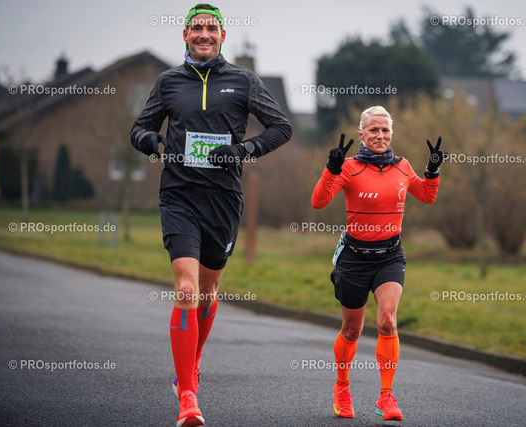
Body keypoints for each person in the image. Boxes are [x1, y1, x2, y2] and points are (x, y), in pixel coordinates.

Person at [130, 4, 292, 426]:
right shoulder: (168, 82)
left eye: (211, 27)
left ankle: (193, 361)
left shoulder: (243, 81)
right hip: (179, 195)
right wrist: (151, 141)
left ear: (222, 35)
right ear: (185, 35)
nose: (204, 33)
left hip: (223, 199)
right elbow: (139, 128)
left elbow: (281, 127)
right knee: (185, 290)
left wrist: (244, 149)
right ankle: (188, 396)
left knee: (207, 290)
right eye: (197, 27)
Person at [311, 106, 442, 421]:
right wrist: (331, 169)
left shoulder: (402, 166)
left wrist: (433, 170)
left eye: (385, 130)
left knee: (387, 322)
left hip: (390, 257)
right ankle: (342, 388)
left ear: (391, 134)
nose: (380, 135)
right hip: (354, 259)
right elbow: (318, 202)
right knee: (352, 329)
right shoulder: (349, 167)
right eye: (373, 130)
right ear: (362, 135)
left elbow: (426, 196)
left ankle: (386, 396)